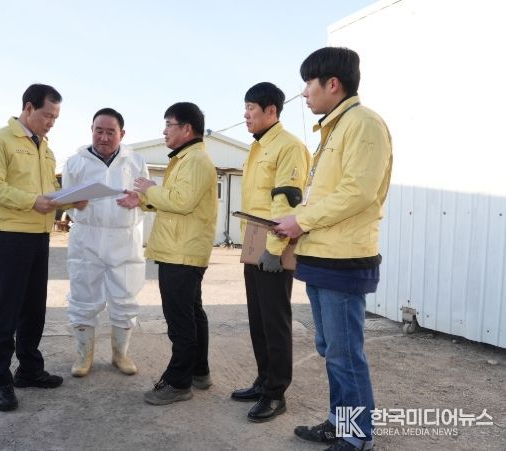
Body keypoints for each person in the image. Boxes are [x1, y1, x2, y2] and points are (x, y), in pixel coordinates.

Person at [274, 47, 393, 451]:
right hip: (321, 255)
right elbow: (324, 195)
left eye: (309, 82)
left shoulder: (363, 124)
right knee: (330, 349)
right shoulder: (334, 129)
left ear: (333, 84)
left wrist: (302, 220)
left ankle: (357, 436)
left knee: (344, 354)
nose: (304, 92)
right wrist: (295, 220)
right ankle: (340, 423)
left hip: (343, 259)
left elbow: (358, 192)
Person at [0, 84, 87, 412]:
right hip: (11, 235)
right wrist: (31, 201)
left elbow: (48, 191)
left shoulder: (45, 148)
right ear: (28, 108)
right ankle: (0, 381)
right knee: (8, 310)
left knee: (34, 309)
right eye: (47, 115)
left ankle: (28, 369)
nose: (51, 122)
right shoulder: (0, 141)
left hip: (40, 236)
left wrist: (70, 199)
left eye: (56, 118)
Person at [117, 102, 218, 405]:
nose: (164, 131)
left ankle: (178, 382)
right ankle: (199, 371)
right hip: (183, 249)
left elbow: (181, 201)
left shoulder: (194, 160)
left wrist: (149, 188)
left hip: (181, 252)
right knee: (192, 314)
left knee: (180, 321)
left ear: (186, 128)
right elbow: (175, 200)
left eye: (168, 124)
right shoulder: (187, 158)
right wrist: (143, 200)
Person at [230, 82, 310, 422]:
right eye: (246, 108)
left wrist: (275, 250)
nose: (246, 114)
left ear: (271, 110)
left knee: (275, 321)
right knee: (258, 318)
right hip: (254, 241)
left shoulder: (289, 146)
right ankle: (263, 381)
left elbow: (287, 200)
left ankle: (276, 393)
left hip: (273, 244)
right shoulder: (258, 146)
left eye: (251, 108)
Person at [62, 108, 148, 378]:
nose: (104, 137)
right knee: (83, 296)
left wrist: (140, 200)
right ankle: (83, 356)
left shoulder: (135, 161)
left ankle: (120, 354)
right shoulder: (75, 163)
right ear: (91, 130)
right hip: (87, 237)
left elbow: (146, 197)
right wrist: (75, 204)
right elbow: (66, 200)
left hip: (124, 238)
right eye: (99, 130)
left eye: (111, 132)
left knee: (125, 296)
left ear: (122, 134)